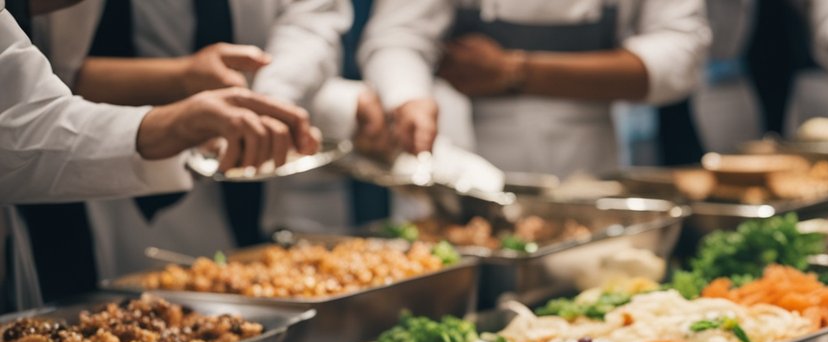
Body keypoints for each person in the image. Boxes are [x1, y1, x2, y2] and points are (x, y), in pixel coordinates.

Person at [0, 0, 318, 308]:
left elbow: (24, 108)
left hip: (135, 154)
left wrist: (187, 121)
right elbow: (45, 86)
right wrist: (178, 93)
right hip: (91, 189)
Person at [358, 0, 712, 177]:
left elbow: (682, 55)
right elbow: (396, 36)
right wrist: (407, 97)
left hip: (589, 159)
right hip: (457, 153)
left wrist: (516, 71)